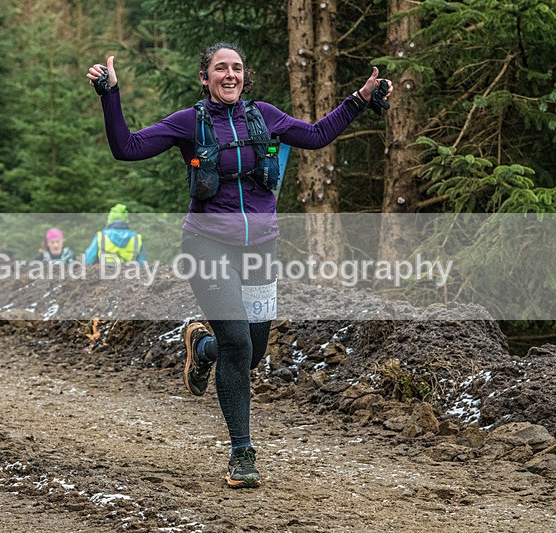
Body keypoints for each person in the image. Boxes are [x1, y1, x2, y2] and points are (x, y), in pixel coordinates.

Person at [87, 43, 391, 488]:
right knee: (237, 341)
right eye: (220, 69)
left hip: (259, 250)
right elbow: (127, 148)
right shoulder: (189, 122)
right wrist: (110, 95)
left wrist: (360, 99)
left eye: (237, 68)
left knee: (251, 352)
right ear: (204, 78)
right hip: (205, 245)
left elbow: (317, 135)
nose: (230, 75)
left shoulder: (264, 116)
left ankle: (202, 348)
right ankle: (242, 453)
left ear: (244, 78)